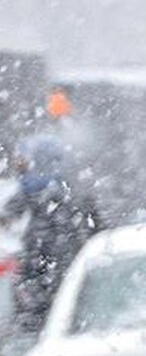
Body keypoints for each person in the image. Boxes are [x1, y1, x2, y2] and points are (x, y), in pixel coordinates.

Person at [0, 134, 103, 336]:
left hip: (44, 266)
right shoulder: (62, 188)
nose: (20, 163)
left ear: (37, 159)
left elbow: (9, 214)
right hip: (59, 264)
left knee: (37, 314)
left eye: (25, 158)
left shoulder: (35, 189)